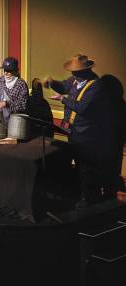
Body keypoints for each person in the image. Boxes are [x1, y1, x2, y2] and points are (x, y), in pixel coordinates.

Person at [43, 53, 116, 207]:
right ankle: (78, 194)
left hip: (87, 134)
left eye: (77, 73)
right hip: (73, 131)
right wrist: (51, 82)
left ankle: (88, 198)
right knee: (76, 164)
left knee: (86, 167)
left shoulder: (95, 86)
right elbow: (63, 85)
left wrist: (63, 99)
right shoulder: (75, 80)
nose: (74, 75)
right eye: (73, 73)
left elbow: (81, 107)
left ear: (86, 71)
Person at [0, 57, 28, 123]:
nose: (6, 73)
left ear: (16, 71)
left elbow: (23, 105)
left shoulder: (21, 84)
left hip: (15, 121)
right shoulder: (1, 80)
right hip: (2, 118)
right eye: (5, 70)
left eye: (9, 71)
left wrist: (7, 104)